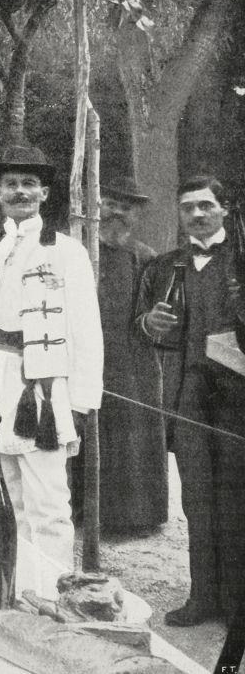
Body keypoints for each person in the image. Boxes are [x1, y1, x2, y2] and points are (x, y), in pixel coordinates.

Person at [0, 144, 102, 570]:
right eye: (10, 184)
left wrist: (82, 400)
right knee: (3, 490)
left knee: (48, 501)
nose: (20, 192)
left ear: (45, 194)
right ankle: (11, 585)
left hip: (42, 388)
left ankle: (49, 588)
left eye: (29, 184)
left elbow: (87, 330)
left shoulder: (67, 251)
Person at [137, 175, 245, 627]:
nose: (197, 215)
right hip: (189, 396)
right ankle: (203, 598)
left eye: (205, 205)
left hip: (239, 399)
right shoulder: (165, 266)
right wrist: (151, 323)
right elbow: (139, 327)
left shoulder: (241, 259)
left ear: (223, 209)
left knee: (237, 499)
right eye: (188, 208)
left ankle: (238, 606)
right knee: (198, 499)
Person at [69, 177, 167, 532]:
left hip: (130, 362)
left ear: (136, 215)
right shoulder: (75, 250)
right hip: (81, 356)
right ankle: (80, 511)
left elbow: (154, 313)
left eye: (127, 207)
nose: (118, 212)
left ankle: (133, 517)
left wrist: (152, 321)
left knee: (129, 434)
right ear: (96, 205)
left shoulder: (146, 258)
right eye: (111, 203)